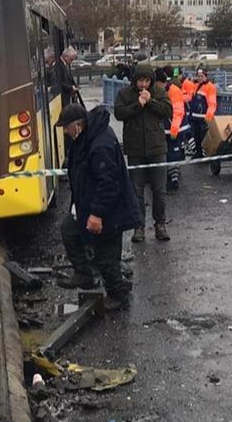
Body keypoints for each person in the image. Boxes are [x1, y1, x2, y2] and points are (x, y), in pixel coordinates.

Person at [55, 103, 141, 310]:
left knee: (105, 257)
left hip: (109, 212)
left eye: (66, 127)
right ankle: (84, 274)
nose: (65, 132)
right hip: (88, 206)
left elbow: (109, 184)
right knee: (68, 229)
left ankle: (118, 295)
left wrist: (96, 214)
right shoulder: (85, 138)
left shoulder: (100, 144)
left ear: (77, 125)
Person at [113, 62, 173, 242]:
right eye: (140, 81)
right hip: (135, 148)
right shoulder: (125, 94)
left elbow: (167, 111)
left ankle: (160, 223)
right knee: (136, 190)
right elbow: (119, 113)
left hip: (157, 147)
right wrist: (138, 105)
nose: (143, 85)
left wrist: (150, 102)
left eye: (146, 81)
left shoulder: (160, 92)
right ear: (135, 81)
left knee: (159, 190)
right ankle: (138, 226)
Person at [161, 68, 190, 192]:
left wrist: (174, 128)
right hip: (169, 128)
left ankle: (173, 180)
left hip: (175, 128)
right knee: (170, 154)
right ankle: (171, 176)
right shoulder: (169, 89)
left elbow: (178, 111)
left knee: (173, 154)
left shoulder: (174, 91)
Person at [187, 68, 218, 159]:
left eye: (202, 76)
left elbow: (212, 104)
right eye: (198, 76)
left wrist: (208, 116)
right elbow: (190, 97)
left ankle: (203, 152)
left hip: (203, 117)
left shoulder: (210, 87)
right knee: (196, 136)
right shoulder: (196, 85)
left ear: (206, 76)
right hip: (194, 116)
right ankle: (198, 152)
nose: (200, 78)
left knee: (202, 136)